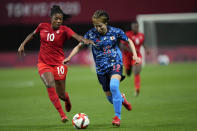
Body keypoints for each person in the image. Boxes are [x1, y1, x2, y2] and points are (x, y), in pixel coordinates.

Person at [63, 10, 141, 127]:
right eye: (95, 26)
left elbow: (128, 40)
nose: (97, 28)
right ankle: (122, 99)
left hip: (116, 64)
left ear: (106, 23)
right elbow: (80, 46)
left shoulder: (115, 32)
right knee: (110, 98)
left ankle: (117, 117)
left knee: (114, 86)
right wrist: (69, 57)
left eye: (100, 25)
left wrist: (135, 55)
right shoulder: (91, 34)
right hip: (101, 70)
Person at [18, 5, 94, 123]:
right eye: (56, 18)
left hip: (59, 64)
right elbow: (32, 35)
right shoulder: (42, 26)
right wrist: (22, 44)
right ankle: (62, 115)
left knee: (61, 95)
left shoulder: (65, 29)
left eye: (60, 19)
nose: (58, 21)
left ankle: (67, 99)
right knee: (49, 83)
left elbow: (77, 37)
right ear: (51, 18)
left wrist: (84, 40)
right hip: (43, 63)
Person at [120, 21, 149, 96]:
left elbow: (143, 43)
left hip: (137, 56)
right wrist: (132, 50)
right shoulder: (127, 35)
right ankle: (128, 69)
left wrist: (146, 49)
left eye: (137, 27)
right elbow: (122, 46)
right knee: (128, 73)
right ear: (132, 28)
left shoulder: (141, 35)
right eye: (134, 27)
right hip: (127, 56)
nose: (136, 28)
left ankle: (137, 89)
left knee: (136, 71)